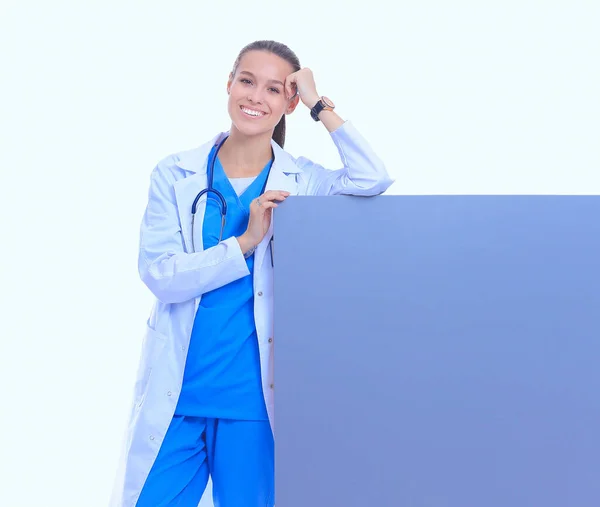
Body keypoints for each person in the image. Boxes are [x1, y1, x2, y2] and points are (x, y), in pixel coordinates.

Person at [110, 40, 393, 507]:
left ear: (289, 103)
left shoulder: (300, 181)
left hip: (251, 404)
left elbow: (372, 178)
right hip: (178, 395)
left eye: (274, 89)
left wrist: (319, 104)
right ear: (229, 84)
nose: (256, 98)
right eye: (247, 81)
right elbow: (161, 275)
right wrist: (244, 242)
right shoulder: (175, 173)